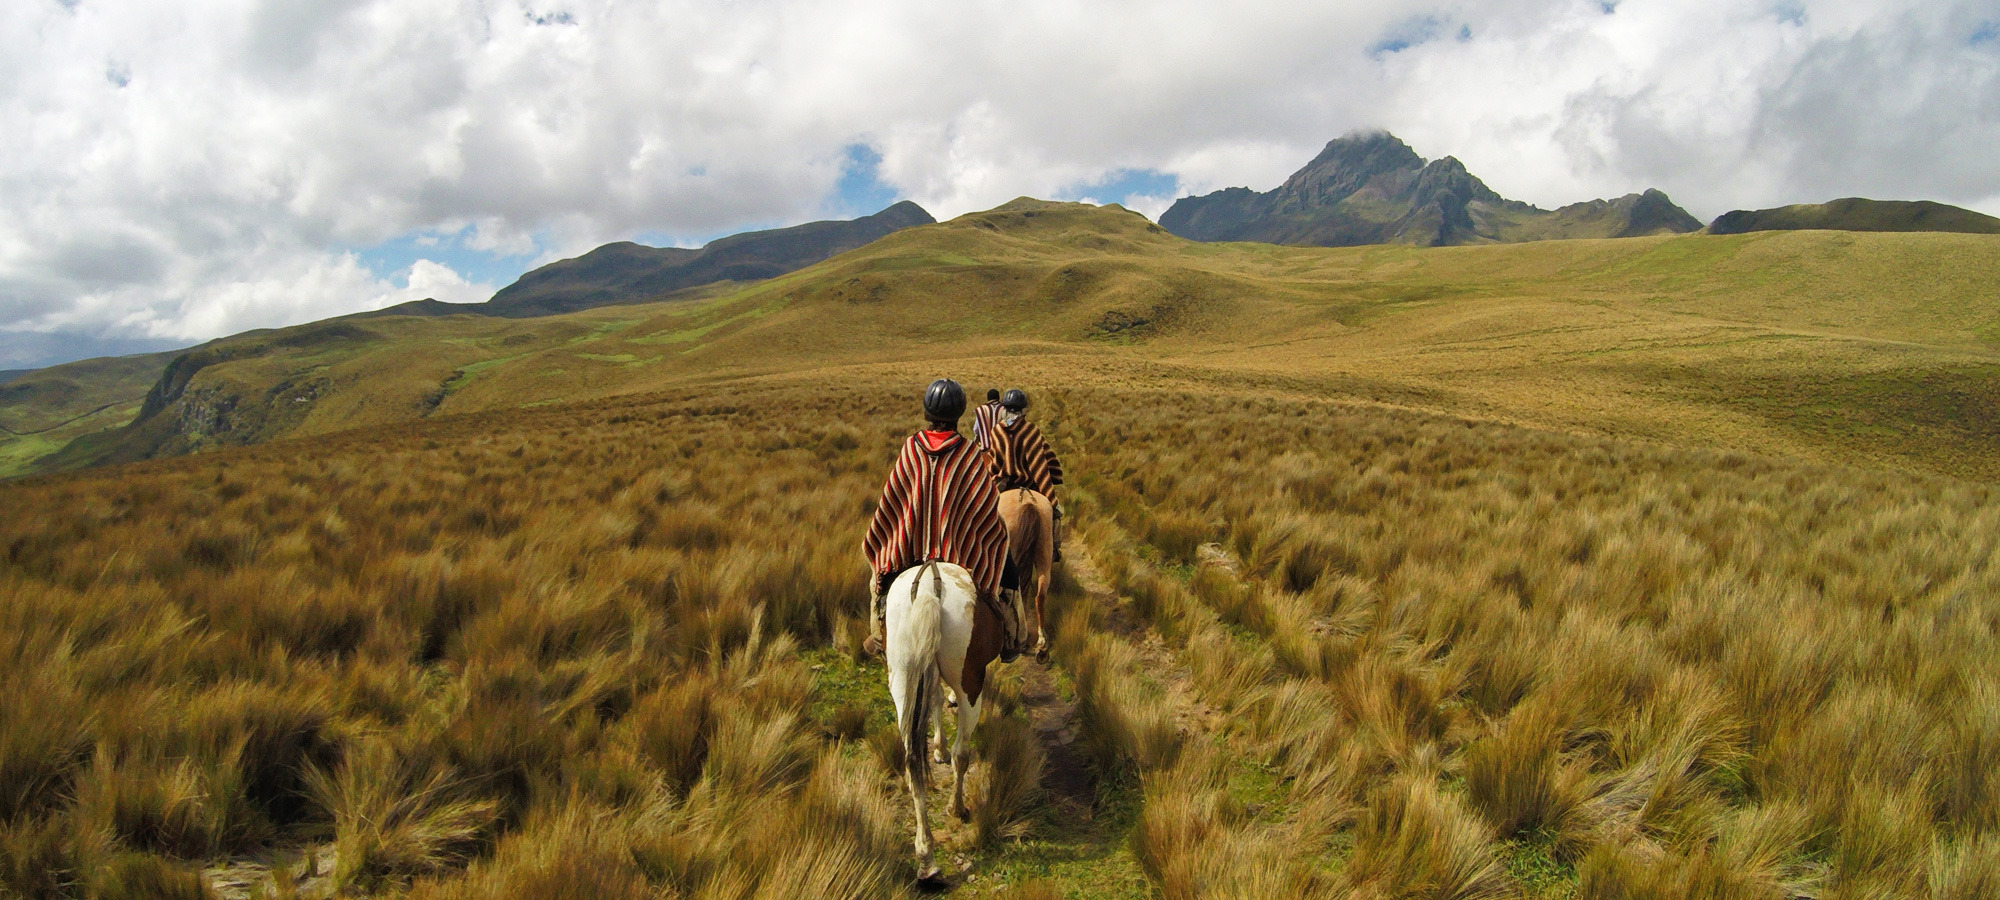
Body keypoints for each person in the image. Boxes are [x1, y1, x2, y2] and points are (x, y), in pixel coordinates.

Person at [863, 379, 1027, 659]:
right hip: (961, 551)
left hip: (911, 548)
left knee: (881, 564)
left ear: (928, 411)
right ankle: (1013, 635)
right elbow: (985, 504)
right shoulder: (968, 453)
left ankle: (878, 633)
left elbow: (893, 500)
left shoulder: (911, 447)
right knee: (1005, 562)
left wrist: (900, 533)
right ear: (958, 412)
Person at [987, 388, 1066, 562]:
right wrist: (1051, 497)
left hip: (1004, 484)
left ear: (1005, 408)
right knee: (1056, 512)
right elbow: (1039, 466)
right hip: (1030, 484)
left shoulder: (996, 431)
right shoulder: (1031, 430)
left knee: (983, 515)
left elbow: (994, 462)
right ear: (1023, 409)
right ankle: (1054, 549)